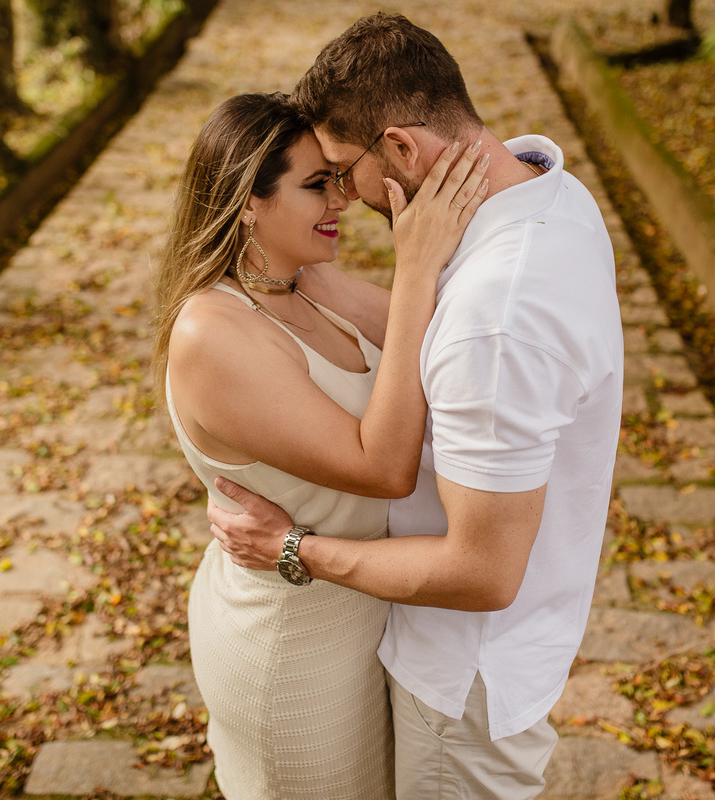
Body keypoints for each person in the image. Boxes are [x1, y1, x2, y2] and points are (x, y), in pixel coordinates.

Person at [206, 13, 625, 799]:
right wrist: (303, 269)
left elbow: (481, 571)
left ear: (399, 147)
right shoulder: (549, 194)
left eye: (342, 168)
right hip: (498, 651)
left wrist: (291, 549)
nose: (342, 192)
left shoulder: (496, 318)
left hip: (457, 678)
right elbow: (430, 333)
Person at [151, 91, 488, 800]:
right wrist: (417, 265)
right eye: (316, 185)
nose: (341, 199)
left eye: (338, 176)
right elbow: (383, 465)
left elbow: (432, 345)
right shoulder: (212, 333)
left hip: (366, 619)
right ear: (248, 201)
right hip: (292, 644)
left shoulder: (306, 280)